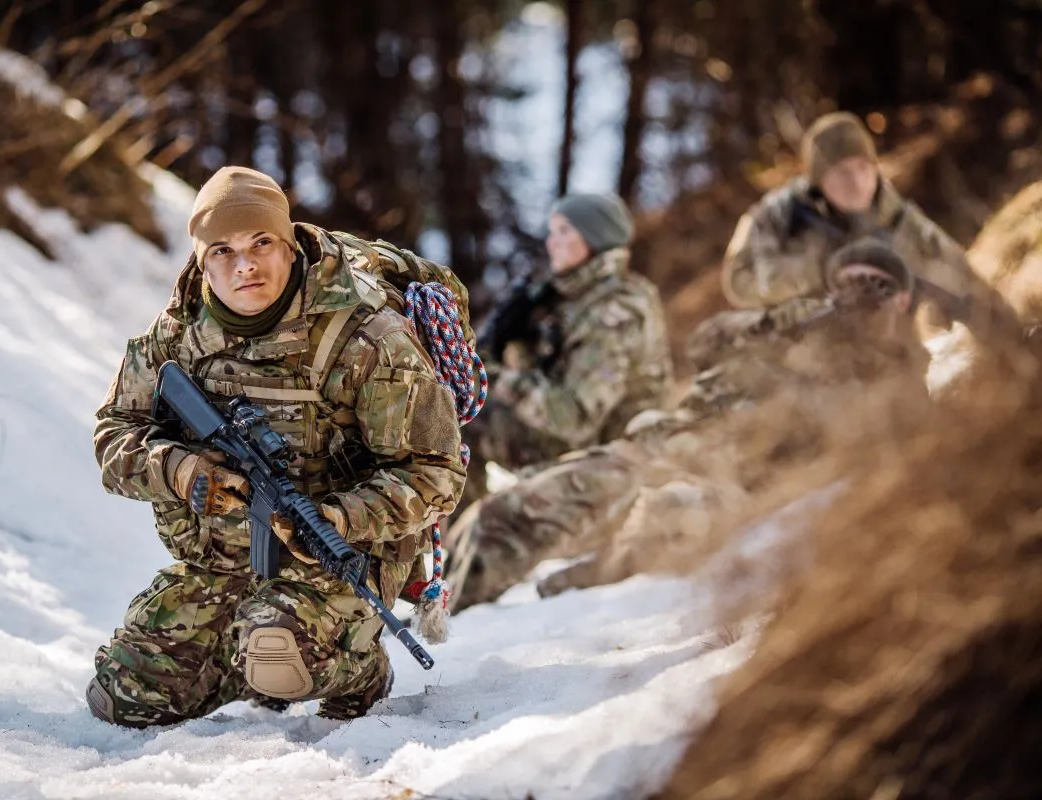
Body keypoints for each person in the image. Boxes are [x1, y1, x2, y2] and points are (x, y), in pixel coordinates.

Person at [86, 166, 466, 727]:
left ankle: (359, 669)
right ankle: (247, 660)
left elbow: (435, 473)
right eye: (223, 250)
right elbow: (114, 433)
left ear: (289, 245)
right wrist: (180, 470)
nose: (244, 265)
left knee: (277, 654)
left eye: (261, 242)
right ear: (201, 261)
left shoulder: (365, 338)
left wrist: (338, 518)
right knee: (123, 695)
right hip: (220, 561)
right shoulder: (176, 334)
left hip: (341, 558)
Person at [447, 239, 932, 609]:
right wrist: (784, 322)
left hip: (728, 483)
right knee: (502, 515)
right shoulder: (792, 332)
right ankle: (442, 624)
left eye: (877, 286)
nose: (860, 295)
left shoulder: (901, 379)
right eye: (850, 282)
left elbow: (888, 453)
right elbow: (705, 343)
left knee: (670, 516)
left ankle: (586, 577)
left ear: (903, 301)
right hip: (660, 449)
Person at [457, 191, 673, 518]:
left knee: (468, 422)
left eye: (563, 231)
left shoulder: (614, 312)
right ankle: (464, 531)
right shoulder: (575, 298)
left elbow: (575, 417)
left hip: (613, 456)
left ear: (593, 237)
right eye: (552, 231)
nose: (551, 243)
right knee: (462, 412)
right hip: (588, 442)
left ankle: (467, 536)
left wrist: (498, 379)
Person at [722, 111, 1017, 341]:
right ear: (819, 181)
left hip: (887, 350)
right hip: (803, 352)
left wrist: (1009, 328)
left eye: (864, 168)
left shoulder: (895, 214)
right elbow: (737, 282)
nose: (856, 182)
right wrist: (818, 269)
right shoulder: (778, 216)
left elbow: (959, 272)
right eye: (842, 172)